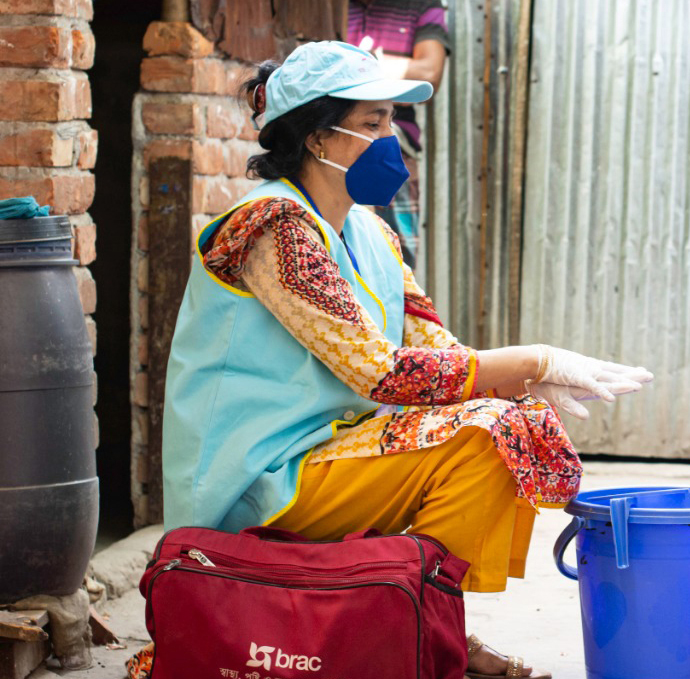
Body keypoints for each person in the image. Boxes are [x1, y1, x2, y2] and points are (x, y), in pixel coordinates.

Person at [134, 41, 652, 679]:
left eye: (392, 123)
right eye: (373, 124)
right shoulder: (272, 227)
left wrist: (528, 387)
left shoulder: (370, 231)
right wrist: (532, 359)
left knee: (508, 426)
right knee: (489, 434)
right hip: (261, 474)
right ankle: (417, 624)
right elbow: (378, 371)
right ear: (317, 137)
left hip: (335, 452)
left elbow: (433, 346)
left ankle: (426, 619)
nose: (391, 141)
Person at [347, 0, 450, 267]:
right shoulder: (331, 9)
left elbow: (429, 72)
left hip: (398, 146)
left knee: (395, 263)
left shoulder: (421, 6)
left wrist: (352, 64)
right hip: (337, 137)